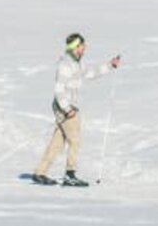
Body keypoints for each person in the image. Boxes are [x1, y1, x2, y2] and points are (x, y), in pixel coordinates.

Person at [32, 33, 121, 187]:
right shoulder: (65, 65)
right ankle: (70, 175)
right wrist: (66, 109)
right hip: (66, 108)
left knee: (58, 143)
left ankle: (40, 172)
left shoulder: (76, 63)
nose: (85, 48)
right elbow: (59, 90)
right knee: (75, 140)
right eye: (82, 45)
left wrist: (110, 65)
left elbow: (90, 73)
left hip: (67, 107)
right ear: (76, 47)